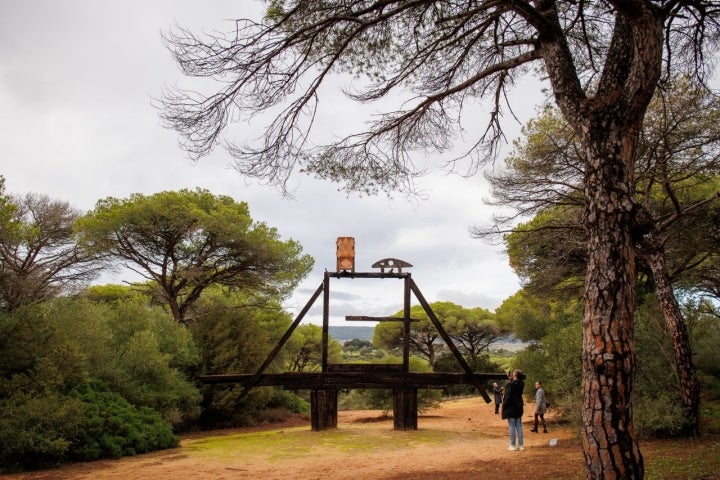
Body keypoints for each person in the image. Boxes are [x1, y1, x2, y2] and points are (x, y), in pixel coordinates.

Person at [501, 369, 525, 451]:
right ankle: (521, 445)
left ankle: (512, 445)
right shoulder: (521, 384)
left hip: (511, 407)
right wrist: (511, 379)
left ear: (515, 375)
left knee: (511, 426)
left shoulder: (509, 385)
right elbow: (515, 384)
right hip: (519, 407)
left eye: (513, 373)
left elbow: (507, 397)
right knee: (519, 425)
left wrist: (504, 405)